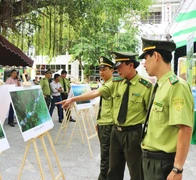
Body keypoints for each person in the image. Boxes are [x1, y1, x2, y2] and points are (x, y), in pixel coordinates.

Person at [57, 51, 152, 180]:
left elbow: (150, 116)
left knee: (136, 172)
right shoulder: (117, 82)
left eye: (120, 66)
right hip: (116, 133)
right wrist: (73, 99)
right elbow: (96, 92)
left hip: (133, 134)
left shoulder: (146, 86)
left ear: (130, 65)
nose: (117, 69)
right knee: (113, 170)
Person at [140, 37, 194, 180]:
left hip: (162, 163)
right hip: (149, 160)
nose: (143, 63)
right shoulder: (159, 86)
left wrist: (177, 168)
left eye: (145, 58)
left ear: (156, 56)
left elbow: (185, 128)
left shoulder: (177, 86)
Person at [96, 56, 114, 180]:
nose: (101, 72)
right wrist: (98, 122)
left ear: (112, 70)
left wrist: (73, 99)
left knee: (105, 158)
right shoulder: (105, 83)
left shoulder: (112, 84)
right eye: (100, 69)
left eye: (104, 69)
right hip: (103, 124)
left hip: (108, 125)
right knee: (106, 156)